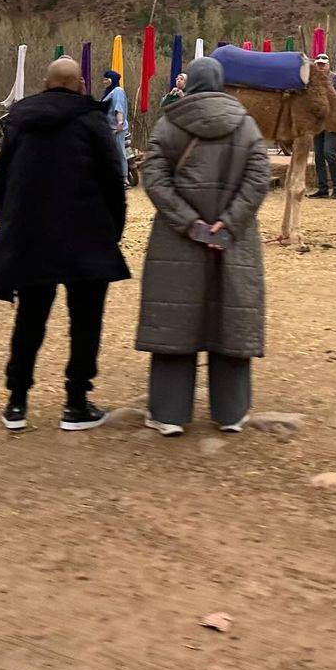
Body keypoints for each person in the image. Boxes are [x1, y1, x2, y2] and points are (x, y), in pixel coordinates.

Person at [0, 57, 129, 432]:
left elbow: (0, 180)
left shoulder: (19, 121)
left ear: (46, 83)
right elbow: (113, 177)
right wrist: (113, 230)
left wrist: (9, 226)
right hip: (86, 235)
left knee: (30, 320)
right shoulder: (91, 119)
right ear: (80, 84)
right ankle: (76, 404)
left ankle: (16, 404)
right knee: (85, 323)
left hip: (31, 237)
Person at [136, 56, 270, 436]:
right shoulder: (247, 126)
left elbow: (155, 179)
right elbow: (259, 178)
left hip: (177, 242)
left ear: (188, 83)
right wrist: (228, 223)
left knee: (175, 324)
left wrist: (190, 223)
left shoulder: (168, 124)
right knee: (229, 321)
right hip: (233, 243)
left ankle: (168, 413)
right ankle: (231, 413)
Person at [307, 53, 336, 199]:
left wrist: (330, 98)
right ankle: (322, 188)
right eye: (318, 64)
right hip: (318, 121)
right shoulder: (312, 79)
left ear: (328, 65)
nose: (320, 66)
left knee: (328, 153)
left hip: (331, 120)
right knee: (318, 156)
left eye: (323, 64)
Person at [101, 69, 130, 182]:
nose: (104, 82)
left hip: (117, 128)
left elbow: (119, 108)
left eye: (106, 79)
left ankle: (124, 178)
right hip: (109, 129)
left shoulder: (117, 90)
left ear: (112, 79)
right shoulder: (108, 92)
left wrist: (120, 123)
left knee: (119, 152)